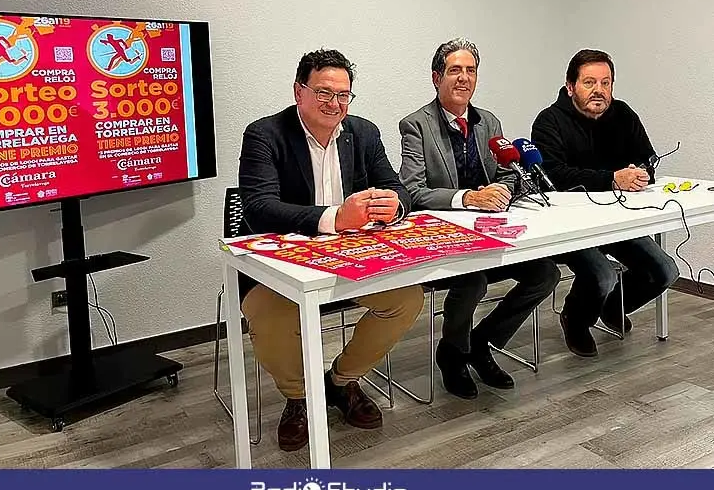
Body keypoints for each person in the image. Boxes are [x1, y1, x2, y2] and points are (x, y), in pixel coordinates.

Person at [237, 48, 424, 451]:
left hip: (354, 259)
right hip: (279, 264)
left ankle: (340, 381)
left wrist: (396, 204)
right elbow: (258, 207)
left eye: (343, 95)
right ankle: (298, 397)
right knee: (270, 317)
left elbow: (398, 188)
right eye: (324, 93)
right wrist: (335, 217)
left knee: (407, 298)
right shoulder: (264, 134)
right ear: (298, 92)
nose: (334, 104)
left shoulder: (364, 132)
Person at [398, 37, 560, 399]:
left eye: (471, 71)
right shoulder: (415, 126)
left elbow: (507, 171)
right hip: (447, 236)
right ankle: (452, 352)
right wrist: (468, 198)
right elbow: (412, 190)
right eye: (455, 70)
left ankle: (482, 341)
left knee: (546, 273)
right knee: (473, 282)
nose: (464, 78)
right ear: (436, 77)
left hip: (492, 231)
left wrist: (504, 190)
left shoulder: (489, 122)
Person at [531, 48, 679, 357]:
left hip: (619, 219)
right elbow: (554, 177)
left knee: (665, 271)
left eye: (606, 82)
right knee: (603, 274)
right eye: (589, 82)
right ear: (571, 86)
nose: (599, 90)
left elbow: (645, 157)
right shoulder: (549, 121)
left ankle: (613, 305)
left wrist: (641, 173)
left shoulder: (623, 113)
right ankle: (575, 318)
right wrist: (611, 179)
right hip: (569, 225)